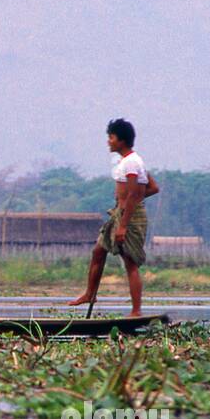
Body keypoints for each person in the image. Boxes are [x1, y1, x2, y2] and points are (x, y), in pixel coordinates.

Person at [68, 118, 159, 316]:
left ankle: (136, 311)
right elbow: (152, 187)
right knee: (98, 252)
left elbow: (136, 193)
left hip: (130, 217)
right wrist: (123, 205)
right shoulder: (128, 161)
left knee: (130, 263)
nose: (108, 141)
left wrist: (123, 224)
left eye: (111, 137)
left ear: (121, 140)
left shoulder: (133, 162)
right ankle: (90, 294)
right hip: (121, 213)